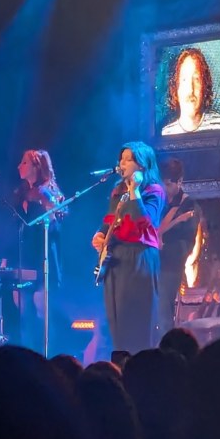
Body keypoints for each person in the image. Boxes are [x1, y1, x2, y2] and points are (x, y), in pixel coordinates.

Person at [91, 141, 166, 354]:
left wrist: (135, 192)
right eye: (121, 159)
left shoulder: (154, 191)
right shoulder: (117, 191)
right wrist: (100, 234)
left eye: (128, 159)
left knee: (137, 321)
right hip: (116, 257)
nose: (121, 163)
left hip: (139, 257)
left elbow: (145, 220)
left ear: (142, 165)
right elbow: (109, 220)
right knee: (116, 320)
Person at [13, 148, 67, 352]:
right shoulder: (20, 193)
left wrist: (47, 205)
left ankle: (49, 353)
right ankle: (29, 354)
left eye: (24, 162)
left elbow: (56, 223)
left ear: (36, 166)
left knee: (41, 305)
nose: (19, 166)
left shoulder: (47, 191)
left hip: (43, 255)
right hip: (24, 256)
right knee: (22, 307)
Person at [157, 156, 199, 337]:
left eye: (168, 184)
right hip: (148, 265)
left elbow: (187, 245)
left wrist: (163, 248)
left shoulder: (189, 206)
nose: (163, 190)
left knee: (163, 315)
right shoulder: (156, 201)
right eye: (161, 184)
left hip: (169, 267)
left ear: (179, 182)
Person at [161, 47, 220, 136]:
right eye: (184, 80)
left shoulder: (219, 125)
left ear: (204, 86)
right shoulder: (167, 133)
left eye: (196, 79)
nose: (190, 89)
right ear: (176, 88)